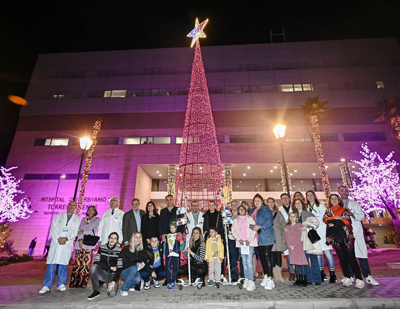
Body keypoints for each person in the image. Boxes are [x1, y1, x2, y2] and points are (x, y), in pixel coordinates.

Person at [338, 186, 379, 286]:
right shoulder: (337, 205)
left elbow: (361, 216)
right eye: (342, 190)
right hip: (344, 233)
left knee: (361, 254)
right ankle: (350, 276)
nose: (344, 192)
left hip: (356, 232)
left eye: (346, 190)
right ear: (339, 192)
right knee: (347, 255)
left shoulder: (354, 204)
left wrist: (352, 214)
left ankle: (368, 276)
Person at [323, 194, 365, 289]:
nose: (333, 200)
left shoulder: (344, 210)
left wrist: (333, 222)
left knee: (351, 258)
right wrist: (336, 219)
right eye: (332, 199)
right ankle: (347, 277)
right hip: (335, 238)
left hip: (346, 237)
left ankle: (359, 278)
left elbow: (347, 221)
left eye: (335, 198)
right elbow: (325, 219)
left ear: (339, 200)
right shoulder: (328, 210)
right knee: (342, 259)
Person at [39, 201, 80, 294]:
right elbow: (53, 228)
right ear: (67, 206)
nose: (71, 206)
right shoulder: (59, 216)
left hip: (66, 243)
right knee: (52, 264)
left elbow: (75, 231)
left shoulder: (77, 218)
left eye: (73, 205)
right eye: (70, 205)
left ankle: (61, 283)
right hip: (56, 243)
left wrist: (66, 238)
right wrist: (58, 238)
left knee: (63, 264)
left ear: (75, 207)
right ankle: (46, 285)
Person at [305, 190, 336, 283]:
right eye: (308, 195)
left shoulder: (320, 206)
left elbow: (324, 218)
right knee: (318, 253)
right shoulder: (306, 208)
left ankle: (332, 274)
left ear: (315, 196)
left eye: (311, 195)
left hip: (322, 231)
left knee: (327, 253)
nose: (310, 197)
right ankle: (321, 273)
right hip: (313, 233)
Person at [110, 232, 153, 296]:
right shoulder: (127, 249)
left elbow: (145, 262)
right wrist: (137, 263)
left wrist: (151, 271)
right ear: (133, 239)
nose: (138, 239)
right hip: (124, 271)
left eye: (139, 237)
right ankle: (124, 289)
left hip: (134, 271)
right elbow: (124, 264)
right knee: (134, 267)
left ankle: (131, 285)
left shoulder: (142, 249)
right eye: (136, 237)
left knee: (138, 279)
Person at [248, 193, 275, 290]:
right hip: (257, 238)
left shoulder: (265, 209)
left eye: (258, 200)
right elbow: (249, 223)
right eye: (255, 201)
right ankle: (266, 276)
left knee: (267, 257)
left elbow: (269, 221)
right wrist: (252, 227)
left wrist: (259, 226)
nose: (257, 202)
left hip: (266, 236)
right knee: (263, 258)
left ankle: (271, 279)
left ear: (262, 201)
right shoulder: (252, 211)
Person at [292, 197, 321, 285]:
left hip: (308, 238)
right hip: (299, 239)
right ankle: (308, 279)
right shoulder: (293, 215)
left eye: (299, 203)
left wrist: (307, 227)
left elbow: (316, 223)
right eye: (296, 203)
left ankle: (317, 279)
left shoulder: (308, 213)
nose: (298, 205)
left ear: (303, 204)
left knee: (313, 258)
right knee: (305, 260)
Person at [70, 205, 100, 288]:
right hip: (80, 243)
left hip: (88, 244)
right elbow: (79, 231)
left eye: (92, 210)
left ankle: (82, 283)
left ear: (95, 211)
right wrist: (80, 240)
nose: (90, 211)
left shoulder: (97, 220)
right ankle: (74, 282)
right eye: (89, 209)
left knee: (85, 264)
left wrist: (84, 231)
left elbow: (93, 231)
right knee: (77, 263)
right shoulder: (83, 219)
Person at [87, 232, 123, 300]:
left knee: (111, 294)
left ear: (117, 241)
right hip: (102, 273)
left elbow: (120, 268)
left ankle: (112, 284)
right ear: (108, 239)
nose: (112, 240)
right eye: (111, 238)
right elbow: (96, 261)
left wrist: (114, 281)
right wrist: (109, 267)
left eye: (115, 239)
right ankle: (96, 290)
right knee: (93, 267)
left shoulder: (119, 250)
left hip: (112, 275)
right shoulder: (102, 248)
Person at [232, 205, 258, 291]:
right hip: (241, 243)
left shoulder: (249, 219)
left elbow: (253, 229)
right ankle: (246, 279)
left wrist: (249, 240)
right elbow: (234, 231)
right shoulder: (236, 220)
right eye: (240, 209)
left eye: (243, 209)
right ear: (238, 211)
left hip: (249, 243)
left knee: (249, 261)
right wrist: (239, 239)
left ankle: (251, 280)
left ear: (246, 210)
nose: (242, 210)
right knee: (244, 261)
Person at [202, 200, 226, 282]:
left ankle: (220, 274)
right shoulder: (205, 215)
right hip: (209, 238)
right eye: (210, 205)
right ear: (208, 206)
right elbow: (204, 227)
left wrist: (222, 236)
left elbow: (222, 227)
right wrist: (206, 235)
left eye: (213, 205)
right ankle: (211, 276)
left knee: (220, 256)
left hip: (218, 237)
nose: (211, 206)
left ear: (215, 206)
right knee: (211, 256)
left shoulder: (219, 215)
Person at [285, 212, 309, 287]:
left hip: (298, 246)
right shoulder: (287, 226)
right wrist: (289, 246)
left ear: (297, 218)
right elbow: (287, 237)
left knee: (301, 263)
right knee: (296, 263)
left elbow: (299, 237)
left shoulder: (299, 225)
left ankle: (304, 279)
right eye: (291, 216)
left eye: (294, 216)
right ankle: (298, 279)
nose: (292, 218)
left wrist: (294, 245)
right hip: (291, 247)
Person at [266, 197, 287, 283]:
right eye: (269, 202)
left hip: (278, 236)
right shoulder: (265, 212)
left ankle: (279, 275)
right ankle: (274, 275)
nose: (271, 203)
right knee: (270, 256)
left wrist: (284, 237)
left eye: (272, 202)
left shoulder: (278, 213)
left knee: (278, 255)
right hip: (269, 236)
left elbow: (284, 225)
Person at [226, 200, 244, 283]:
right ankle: (234, 276)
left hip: (241, 238)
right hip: (231, 238)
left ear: (238, 205)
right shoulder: (227, 214)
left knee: (241, 256)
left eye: (235, 204)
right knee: (233, 257)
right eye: (232, 204)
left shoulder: (242, 213)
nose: (234, 206)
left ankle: (243, 275)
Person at [279, 193, 295, 280]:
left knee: (297, 252)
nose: (285, 200)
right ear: (281, 200)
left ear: (289, 199)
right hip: (286, 233)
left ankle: (299, 271)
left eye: (286, 198)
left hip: (295, 232)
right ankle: (291, 272)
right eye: (283, 198)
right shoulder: (279, 210)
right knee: (288, 254)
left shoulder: (294, 208)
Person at [164, 221, 185, 290]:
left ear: (176, 228)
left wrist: (180, 248)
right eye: (171, 228)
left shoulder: (178, 235)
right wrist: (165, 252)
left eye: (173, 228)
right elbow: (165, 244)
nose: (172, 229)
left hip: (176, 254)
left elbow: (182, 243)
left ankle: (173, 280)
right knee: (168, 268)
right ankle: (169, 281)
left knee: (176, 268)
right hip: (169, 254)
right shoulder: (167, 236)